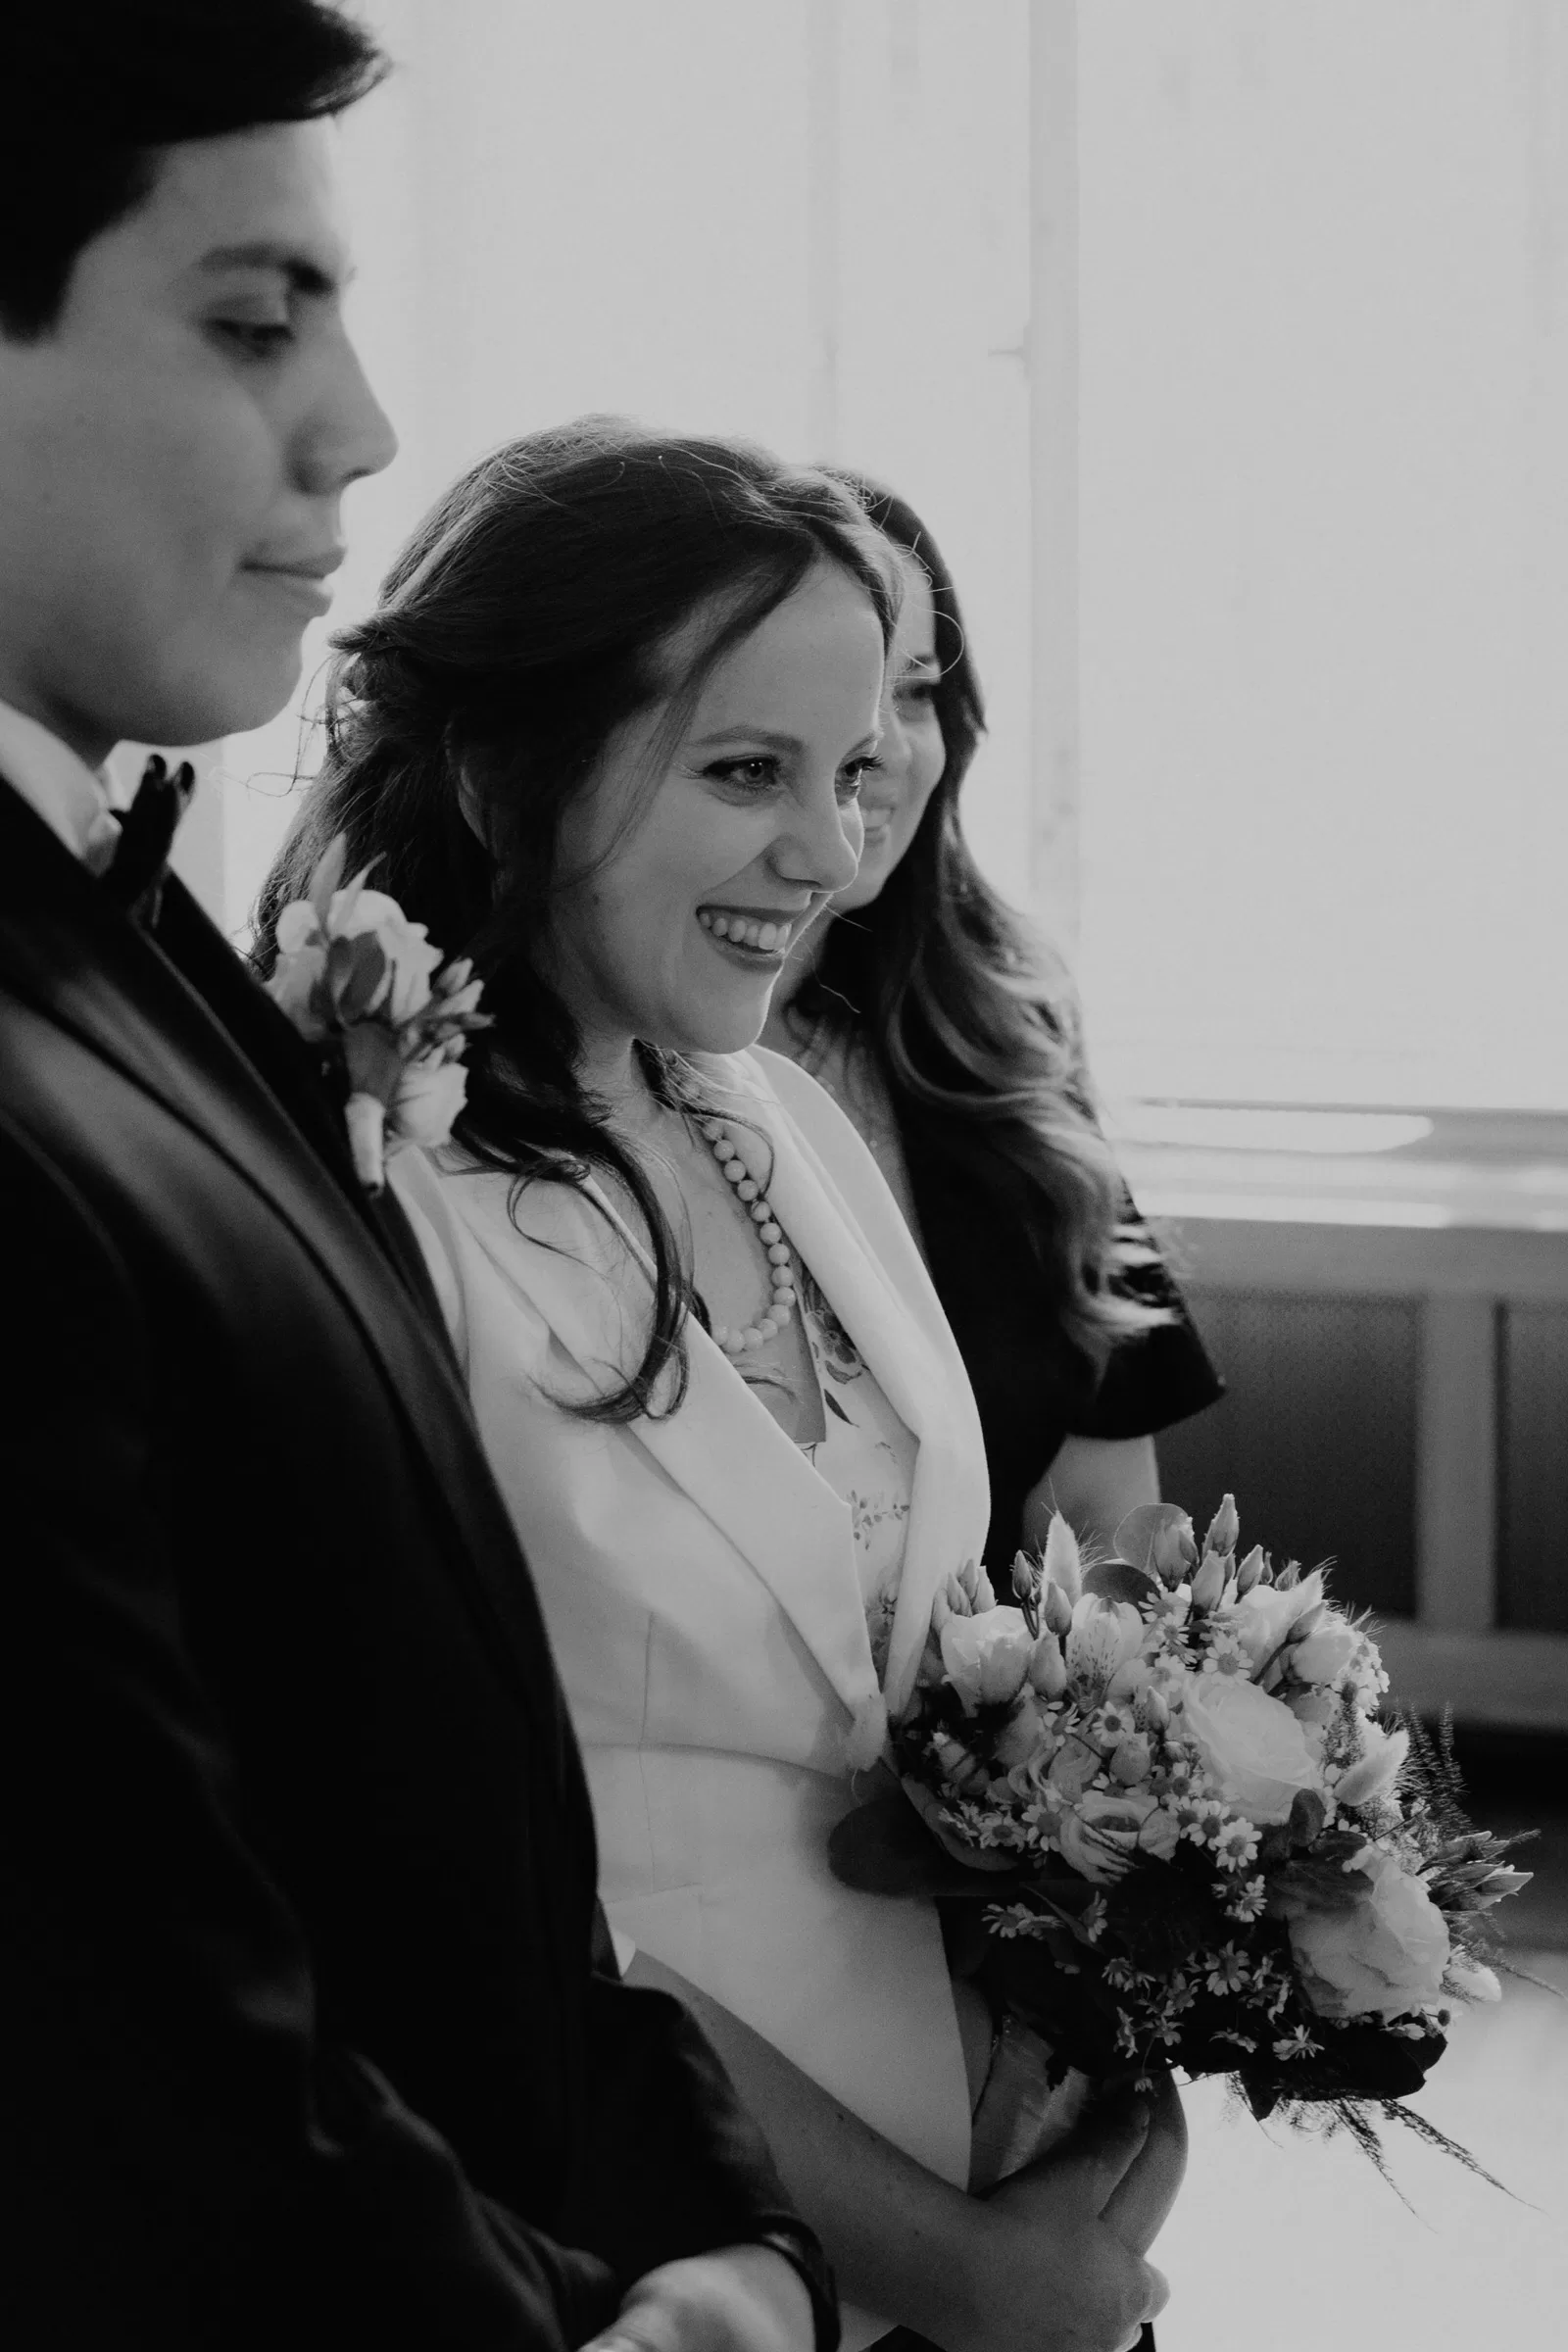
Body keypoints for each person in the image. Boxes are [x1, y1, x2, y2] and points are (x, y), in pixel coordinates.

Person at [0, 11, 838, 2349]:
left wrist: (722, 2223)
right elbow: (122, 2026)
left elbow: (434, 1771)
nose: (360, 423)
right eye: (254, 317)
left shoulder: (132, 926)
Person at [256, 419, 1173, 2352]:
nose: (834, 853)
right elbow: (449, 1910)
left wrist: (1093, 2085)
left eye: (849, 774)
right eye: (746, 772)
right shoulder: (363, 1197)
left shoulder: (782, 1117)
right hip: (652, 2265)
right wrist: (940, 2259)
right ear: (507, 776)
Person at [761, 477, 1224, 1574]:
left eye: (910, 695)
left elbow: (1108, 1507)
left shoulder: (996, 1029)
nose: (875, 751)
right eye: (826, 706)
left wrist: (1099, 1728)